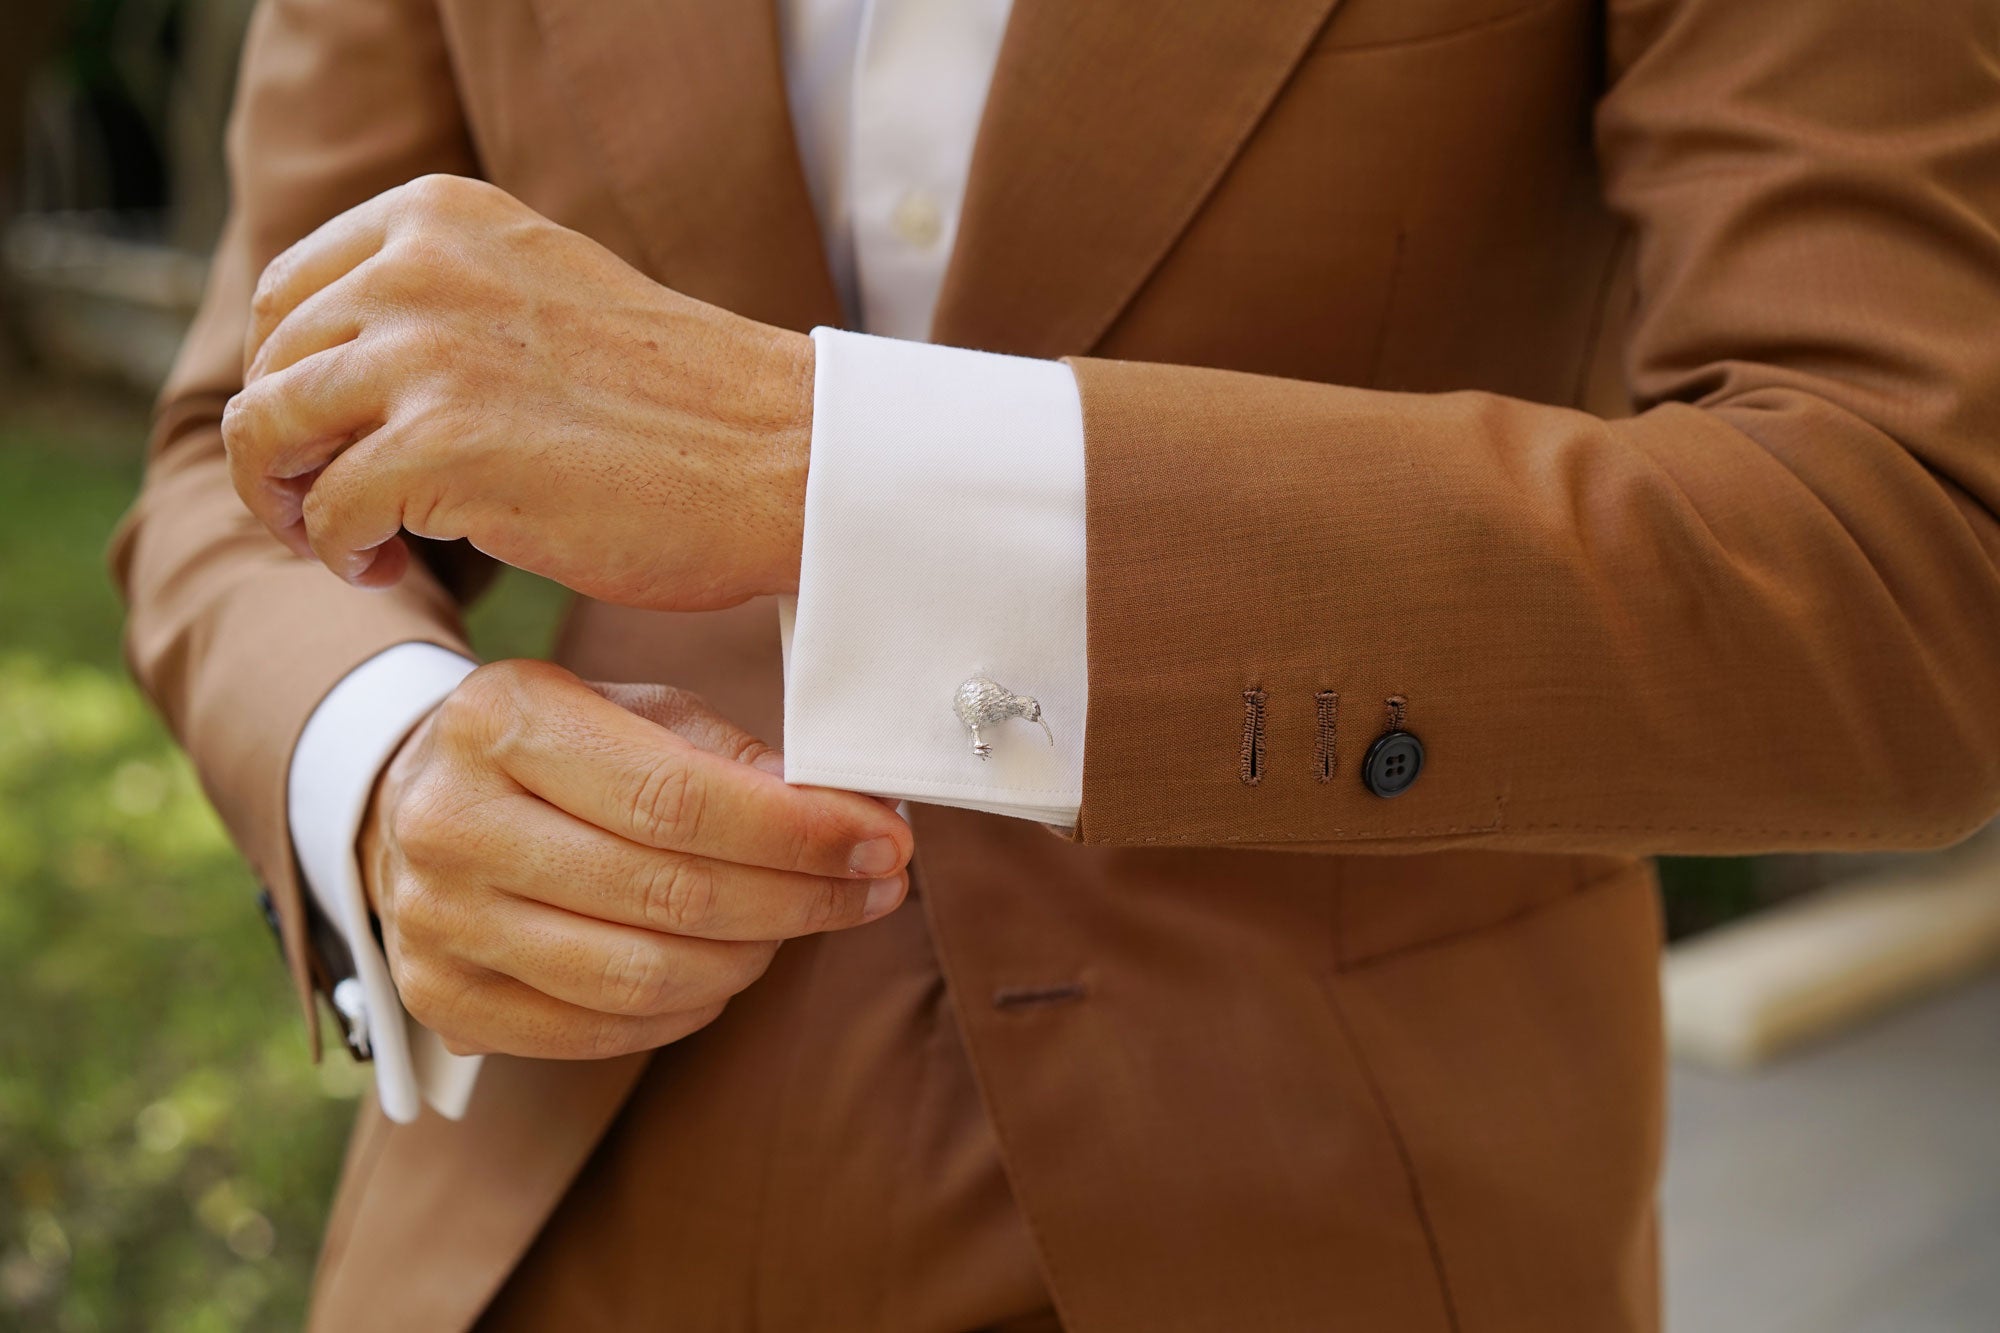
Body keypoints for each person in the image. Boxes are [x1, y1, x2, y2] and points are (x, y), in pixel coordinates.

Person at [114, 0, 2000, 1329]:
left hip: (1322, 1204)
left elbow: (1910, 552)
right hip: (553, 1200)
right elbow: (241, 445)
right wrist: (377, 763)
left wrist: (823, 465)